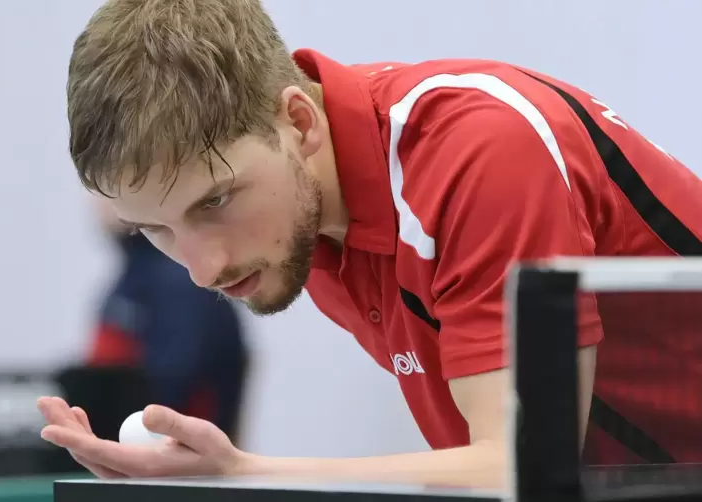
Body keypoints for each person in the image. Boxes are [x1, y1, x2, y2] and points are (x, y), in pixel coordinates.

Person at [37, 0, 702, 489]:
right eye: (155, 229)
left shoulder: (479, 152)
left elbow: (521, 466)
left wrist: (241, 473)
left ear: (298, 123)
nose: (203, 268)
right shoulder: (300, 221)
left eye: (215, 201)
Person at [88, 198, 249, 441]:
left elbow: (177, 379)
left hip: (171, 458)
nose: (93, 200)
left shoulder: (176, 279)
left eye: (103, 187)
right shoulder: (137, 273)